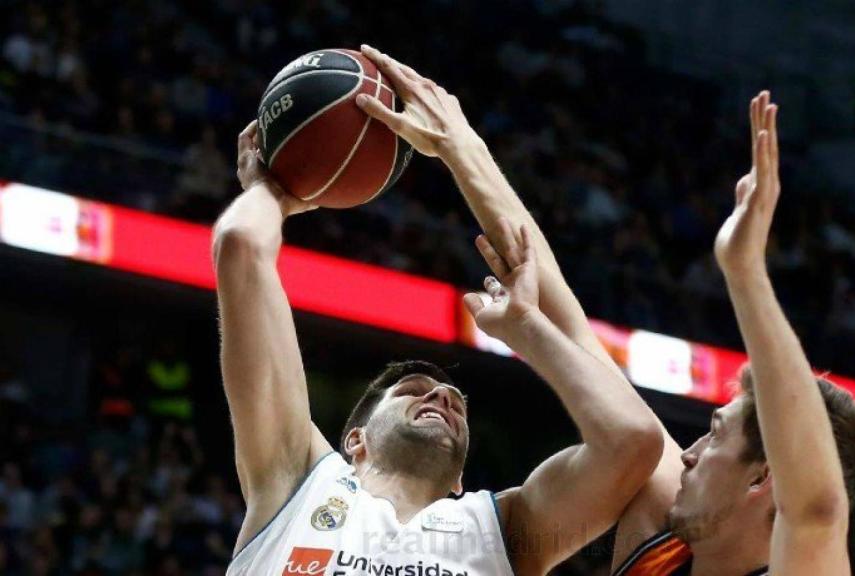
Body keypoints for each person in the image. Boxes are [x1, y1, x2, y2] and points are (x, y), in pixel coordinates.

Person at [357, 65, 855, 575]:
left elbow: (814, 508)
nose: (689, 453)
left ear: (762, 477)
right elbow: (561, 312)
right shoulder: (664, 529)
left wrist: (745, 275)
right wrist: (461, 150)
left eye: (715, 436)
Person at [214, 69, 663, 575]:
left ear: (459, 479)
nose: (442, 397)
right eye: (412, 389)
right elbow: (241, 245)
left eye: (456, 404)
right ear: (354, 441)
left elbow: (632, 441)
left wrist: (528, 330)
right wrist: (274, 191)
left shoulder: (503, 530)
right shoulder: (296, 481)